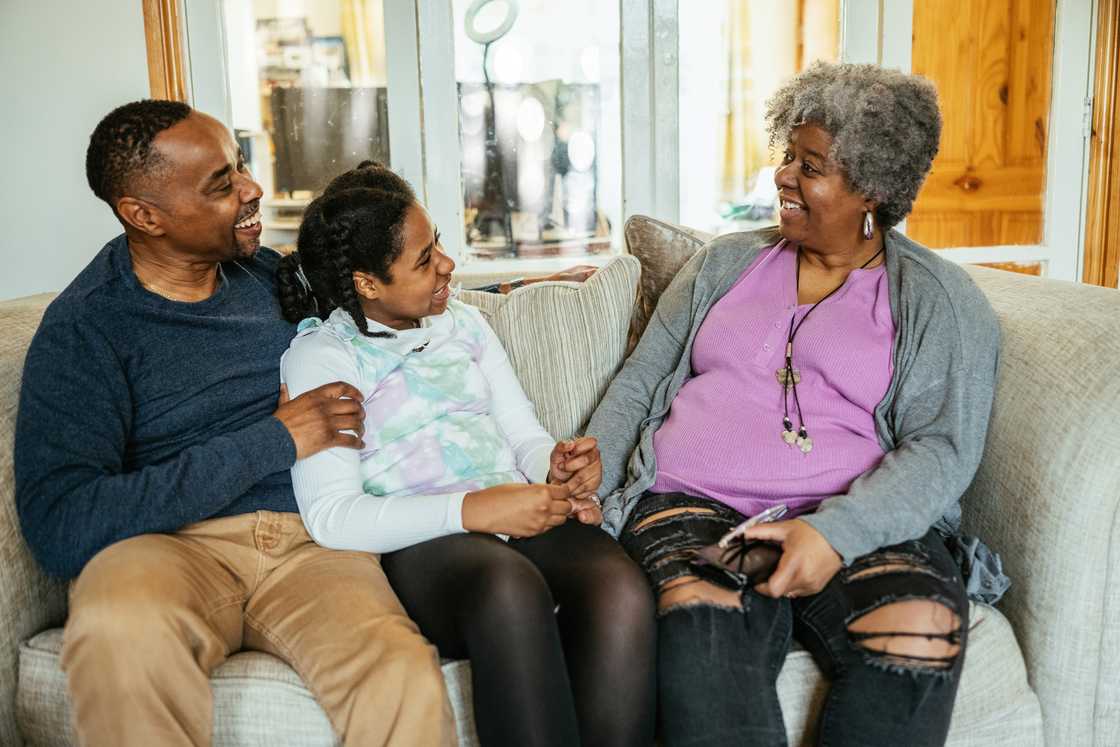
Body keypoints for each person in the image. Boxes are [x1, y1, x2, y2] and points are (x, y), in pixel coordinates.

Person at [14, 100, 456, 746]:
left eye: (240, 166)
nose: (252, 190)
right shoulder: (85, 328)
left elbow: (385, 298)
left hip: (313, 542)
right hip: (167, 547)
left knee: (400, 671)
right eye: (221, 184)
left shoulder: (271, 276)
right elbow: (61, 522)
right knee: (119, 629)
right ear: (144, 215)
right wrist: (273, 440)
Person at [586, 61, 1002, 746]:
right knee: (702, 629)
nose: (784, 176)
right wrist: (590, 479)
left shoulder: (942, 304)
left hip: (854, 516)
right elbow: (639, 382)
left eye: (811, 166)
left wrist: (834, 532)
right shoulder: (725, 264)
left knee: (920, 625)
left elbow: (941, 448)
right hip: (692, 507)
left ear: (872, 187)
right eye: (788, 155)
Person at [275, 161, 657, 747]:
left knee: (619, 587)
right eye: (424, 260)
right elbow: (332, 516)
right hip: (423, 539)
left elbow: (522, 437)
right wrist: (476, 510)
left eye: (439, 247)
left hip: (512, 511)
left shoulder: (466, 324)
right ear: (367, 283)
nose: (448, 266)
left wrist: (553, 467)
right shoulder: (324, 357)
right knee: (508, 590)